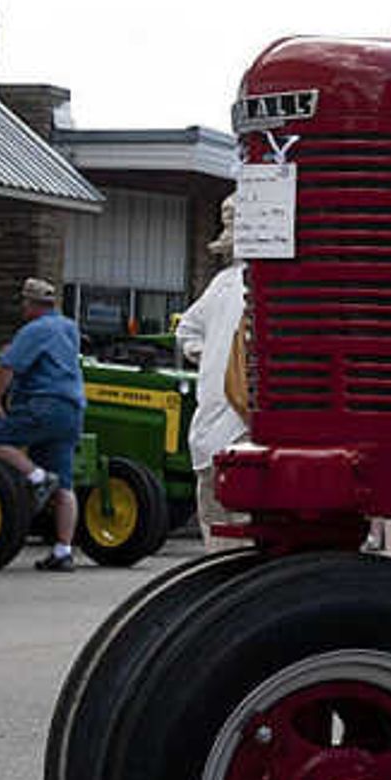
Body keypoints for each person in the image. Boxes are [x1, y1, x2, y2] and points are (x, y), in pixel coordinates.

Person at [0, 277, 86, 571]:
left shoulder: (34, 330)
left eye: (25, 302)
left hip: (42, 403)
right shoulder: (68, 327)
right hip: (72, 408)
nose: (23, 308)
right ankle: (63, 550)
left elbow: (7, 366)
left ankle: (37, 477)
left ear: (32, 304)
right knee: (65, 483)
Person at [176, 205, 248, 537]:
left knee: (219, 528)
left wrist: (209, 356)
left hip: (216, 423)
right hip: (240, 422)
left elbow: (187, 331)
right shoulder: (229, 283)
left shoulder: (224, 283)